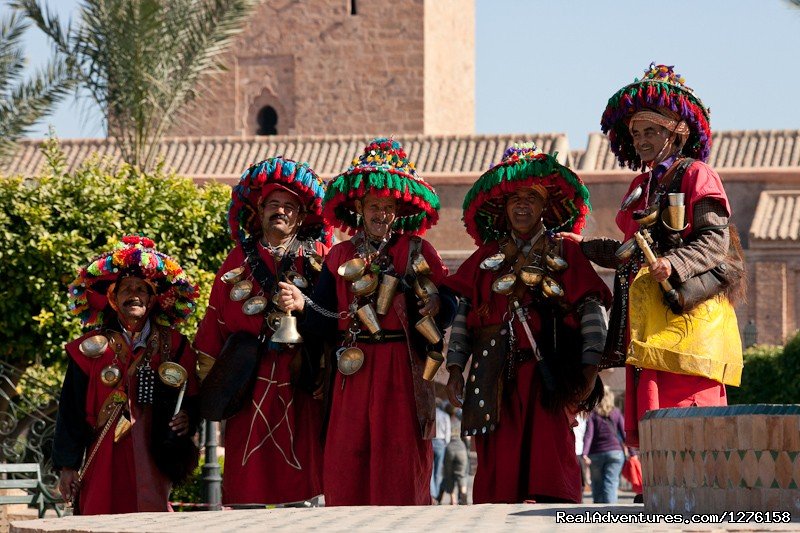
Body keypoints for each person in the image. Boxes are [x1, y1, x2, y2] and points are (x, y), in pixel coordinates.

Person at [559, 64, 745, 449]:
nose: (642, 139)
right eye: (636, 132)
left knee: (688, 419)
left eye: (651, 131)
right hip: (644, 325)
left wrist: (672, 264)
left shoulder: (697, 174)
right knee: (653, 422)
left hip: (686, 321)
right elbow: (630, 253)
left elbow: (715, 243)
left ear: (677, 131)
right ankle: (661, 500)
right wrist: (583, 247)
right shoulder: (640, 187)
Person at [279, 138, 456, 505]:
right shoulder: (340, 256)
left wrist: (438, 303)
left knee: (401, 456)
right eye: (374, 205)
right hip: (353, 368)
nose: (381, 214)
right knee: (349, 454)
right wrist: (301, 304)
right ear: (360, 207)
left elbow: (451, 303)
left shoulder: (418, 251)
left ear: (398, 210)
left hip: (402, 367)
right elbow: (323, 321)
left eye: (388, 207)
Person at [443, 143, 612, 504]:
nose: (522, 206)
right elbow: (463, 315)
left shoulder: (565, 253)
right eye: (514, 199)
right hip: (492, 378)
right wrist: (455, 368)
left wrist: (589, 371)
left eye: (531, 199)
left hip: (548, 377)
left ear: (543, 207)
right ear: (503, 207)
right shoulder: (486, 258)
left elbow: (592, 310)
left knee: (552, 472)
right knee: (498, 479)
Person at [193, 157, 330, 505]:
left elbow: (338, 317)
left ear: (300, 216)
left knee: (301, 483)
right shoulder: (236, 259)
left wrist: (304, 305)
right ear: (260, 209)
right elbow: (214, 327)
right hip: (247, 381)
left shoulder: (320, 258)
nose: (280, 211)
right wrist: (206, 395)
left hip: (301, 378)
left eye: (288, 206)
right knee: (246, 483)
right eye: (273, 204)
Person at [54, 236, 201, 514]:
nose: (134, 295)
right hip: (102, 455)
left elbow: (191, 396)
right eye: (126, 290)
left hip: (153, 452)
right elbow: (70, 411)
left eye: (141, 290)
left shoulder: (176, 345)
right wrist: (67, 466)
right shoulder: (88, 350)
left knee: (151, 516)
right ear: (113, 298)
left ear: (152, 299)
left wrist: (188, 418)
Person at [582, 386, 625, 504]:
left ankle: (599, 514)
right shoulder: (616, 413)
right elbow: (624, 433)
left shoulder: (593, 414)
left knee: (597, 485)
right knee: (610, 483)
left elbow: (589, 435)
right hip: (615, 453)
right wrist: (632, 453)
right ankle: (611, 513)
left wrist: (585, 453)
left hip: (596, 454)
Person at [437, 403, 469, 505]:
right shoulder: (460, 422)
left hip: (449, 450)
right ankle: (463, 496)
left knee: (449, 475)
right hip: (462, 450)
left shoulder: (446, 421)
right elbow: (467, 437)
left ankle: (453, 499)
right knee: (461, 475)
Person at [430, 400, 451, 503]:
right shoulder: (445, 416)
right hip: (441, 442)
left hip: (431, 441)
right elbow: (448, 431)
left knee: (431, 469)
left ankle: (433, 493)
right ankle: (437, 493)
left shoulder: (432, 415)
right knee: (438, 470)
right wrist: (445, 443)